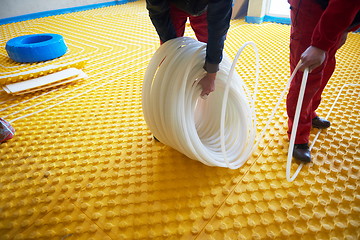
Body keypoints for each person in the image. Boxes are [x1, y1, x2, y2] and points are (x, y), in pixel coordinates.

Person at [287, 0, 360, 162]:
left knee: (326, 66)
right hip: (311, 6)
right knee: (306, 76)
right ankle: (298, 135)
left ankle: (309, 113)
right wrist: (319, 45)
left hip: (337, 10)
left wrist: (346, 27)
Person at [146, 0, 232, 98]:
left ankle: (212, 89)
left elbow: (218, 27)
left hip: (206, 6)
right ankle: (170, 92)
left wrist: (211, 75)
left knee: (210, 45)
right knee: (169, 53)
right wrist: (171, 47)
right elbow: (158, 11)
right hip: (172, 4)